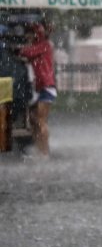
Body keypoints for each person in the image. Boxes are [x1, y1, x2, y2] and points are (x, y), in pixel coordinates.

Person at [18, 22, 56, 156]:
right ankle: (40, 148)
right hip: (40, 87)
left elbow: (27, 52)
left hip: (47, 86)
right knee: (34, 119)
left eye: (29, 34)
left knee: (40, 120)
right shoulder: (39, 46)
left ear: (35, 34)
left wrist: (19, 49)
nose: (27, 37)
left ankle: (45, 151)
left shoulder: (44, 45)